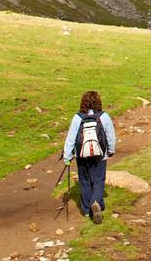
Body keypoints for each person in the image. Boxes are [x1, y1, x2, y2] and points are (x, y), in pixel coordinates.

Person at [63, 90, 116, 224]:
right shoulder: (104, 117)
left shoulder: (77, 118)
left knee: (85, 181)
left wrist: (67, 156)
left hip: (82, 155)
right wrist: (110, 150)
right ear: (98, 102)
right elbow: (110, 135)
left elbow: (71, 138)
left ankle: (87, 211)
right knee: (98, 180)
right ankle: (96, 203)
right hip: (100, 155)